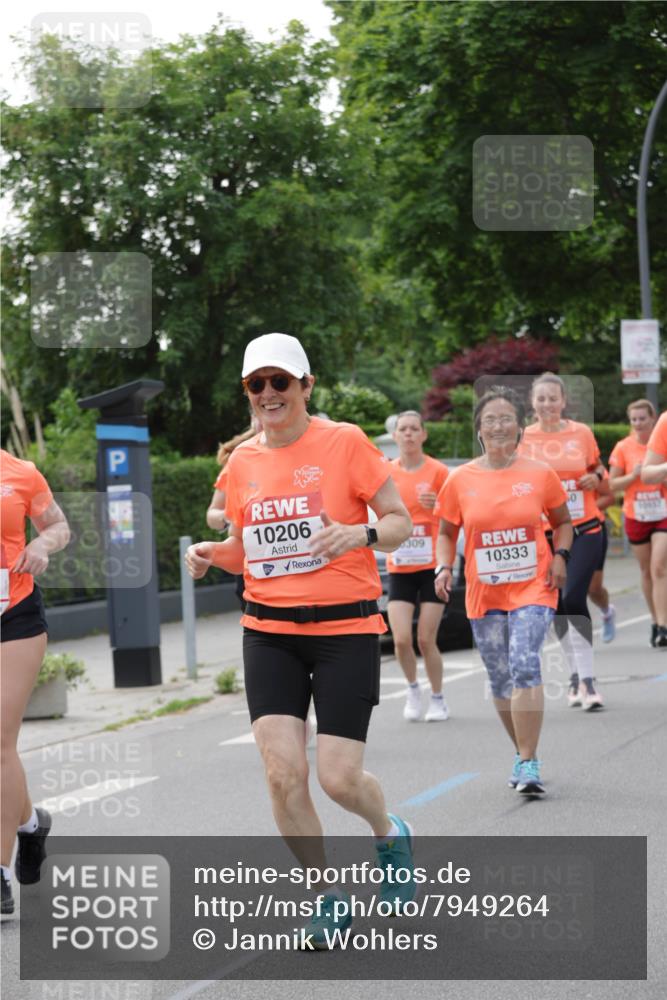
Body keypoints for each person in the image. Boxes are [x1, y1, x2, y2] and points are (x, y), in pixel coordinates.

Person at [185, 332, 416, 946]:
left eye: (279, 382)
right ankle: (326, 896)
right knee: (283, 775)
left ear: (306, 386)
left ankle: (389, 832)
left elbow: (400, 521)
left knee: (339, 780)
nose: (268, 393)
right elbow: (249, 552)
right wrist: (215, 555)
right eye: (256, 384)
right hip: (268, 633)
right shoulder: (241, 464)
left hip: (346, 629)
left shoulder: (344, 442)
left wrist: (359, 534)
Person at [434, 387, 572, 795]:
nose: (498, 426)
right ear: (479, 429)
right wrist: (445, 565)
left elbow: (563, 521)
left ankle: (528, 762)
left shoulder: (539, 474)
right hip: (485, 592)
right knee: (499, 677)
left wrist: (561, 555)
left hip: (534, 584)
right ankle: (522, 752)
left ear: (519, 428)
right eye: (490, 419)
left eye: (506, 418)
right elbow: (446, 531)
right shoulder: (460, 480)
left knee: (525, 660)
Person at [0, 450, 70, 914]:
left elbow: (58, 526)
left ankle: (0, 874)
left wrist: (42, 545)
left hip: (14, 616)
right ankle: (29, 824)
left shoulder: (19, 472)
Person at [518, 373, 610, 711]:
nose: (547, 405)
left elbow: (601, 470)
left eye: (552, 398)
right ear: (532, 403)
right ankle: (575, 675)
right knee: (559, 605)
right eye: (541, 399)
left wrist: (595, 477)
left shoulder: (581, 433)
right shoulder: (524, 438)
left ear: (563, 401)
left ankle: (588, 680)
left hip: (585, 526)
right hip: (546, 532)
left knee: (573, 596)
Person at [386, 410, 449, 722]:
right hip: (400, 566)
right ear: (395, 436)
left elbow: (456, 514)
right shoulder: (386, 473)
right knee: (400, 639)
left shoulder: (438, 472)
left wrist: (438, 504)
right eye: (403, 429)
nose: (408, 434)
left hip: (431, 565)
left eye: (414, 429)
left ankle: (437, 697)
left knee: (426, 638)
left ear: (424, 434)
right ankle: (413, 688)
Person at [611, 401, 667, 648]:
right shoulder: (624, 448)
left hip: (663, 511)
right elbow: (612, 485)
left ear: (652, 419)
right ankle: (655, 620)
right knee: (646, 571)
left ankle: (664, 626)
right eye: (633, 419)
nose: (638, 423)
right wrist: (633, 475)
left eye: (642, 418)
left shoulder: (660, 437)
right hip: (636, 514)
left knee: (659, 567)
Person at [207, 417, 263, 608]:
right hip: (251, 560)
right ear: (252, 418)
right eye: (259, 415)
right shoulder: (239, 460)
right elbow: (212, 514)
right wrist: (229, 515)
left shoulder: (299, 454)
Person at [586, 478, 617, 643]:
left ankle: (606, 612)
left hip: (591, 528)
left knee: (594, 589)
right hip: (558, 531)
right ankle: (576, 638)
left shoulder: (588, 462)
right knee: (567, 591)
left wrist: (582, 511)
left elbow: (610, 497)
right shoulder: (541, 463)